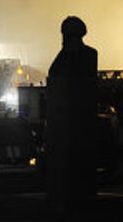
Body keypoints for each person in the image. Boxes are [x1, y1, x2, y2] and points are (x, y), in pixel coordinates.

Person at [46, 16, 98, 215]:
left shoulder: (66, 60)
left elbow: (56, 75)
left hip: (70, 126)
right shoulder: (87, 55)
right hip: (77, 126)